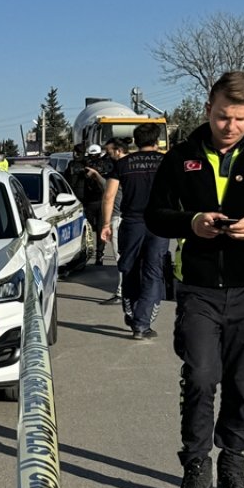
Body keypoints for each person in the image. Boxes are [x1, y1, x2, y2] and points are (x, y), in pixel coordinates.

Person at [146, 71, 244, 488]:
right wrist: (191, 223)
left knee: (241, 385)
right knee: (201, 378)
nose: (230, 127)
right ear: (208, 109)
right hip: (199, 290)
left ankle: (233, 465)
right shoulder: (181, 157)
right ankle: (195, 468)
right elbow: (155, 215)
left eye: (241, 119)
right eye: (222, 116)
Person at [100, 123, 167, 339]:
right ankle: (142, 323)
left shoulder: (124, 163)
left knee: (129, 269)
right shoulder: (166, 162)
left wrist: (106, 224)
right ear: (156, 142)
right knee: (153, 272)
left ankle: (130, 312)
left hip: (131, 223)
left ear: (136, 142)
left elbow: (109, 196)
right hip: (159, 223)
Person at [99, 138, 130, 305]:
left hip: (119, 217)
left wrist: (106, 223)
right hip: (136, 217)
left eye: (109, 152)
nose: (107, 155)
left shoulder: (119, 167)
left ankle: (122, 292)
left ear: (118, 151)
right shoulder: (135, 165)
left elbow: (108, 196)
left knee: (120, 256)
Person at [77, 143, 112, 264]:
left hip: (96, 202)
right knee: (94, 227)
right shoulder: (88, 166)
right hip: (93, 202)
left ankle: (96, 254)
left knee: (96, 228)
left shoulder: (101, 165)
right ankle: (93, 253)